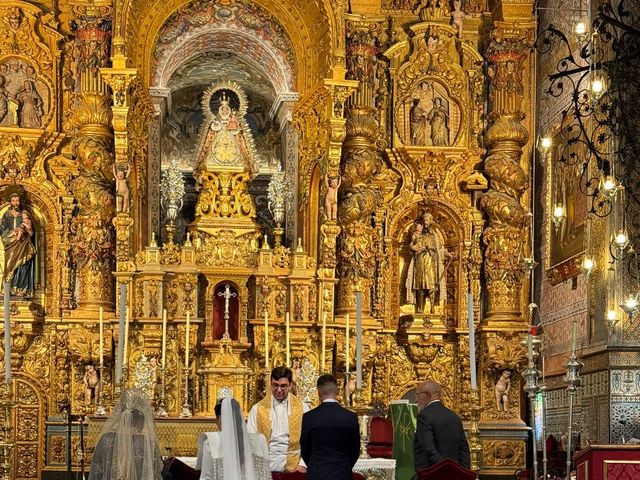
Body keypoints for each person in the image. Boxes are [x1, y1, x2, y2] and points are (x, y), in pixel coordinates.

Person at [88, 388, 163, 480]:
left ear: (120, 417)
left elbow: (96, 472)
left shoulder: (105, 439)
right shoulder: (149, 443)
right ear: (141, 422)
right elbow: (156, 474)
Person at [247, 367, 309, 473]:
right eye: (275, 385)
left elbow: (309, 439)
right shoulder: (257, 409)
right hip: (265, 465)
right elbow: (250, 439)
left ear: (290, 385)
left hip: (294, 466)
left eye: (283, 386)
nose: (279, 390)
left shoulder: (302, 408)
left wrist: (303, 464)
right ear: (271, 383)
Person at [301, 374, 360, 480]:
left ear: (318, 393)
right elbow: (355, 450)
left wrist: (315, 465)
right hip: (342, 473)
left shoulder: (309, 417)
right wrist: (344, 466)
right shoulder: (350, 417)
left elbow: (305, 449)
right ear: (337, 391)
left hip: (317, 473)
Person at [197, 398, 271, 480]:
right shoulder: (259, 440)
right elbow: (265, 476)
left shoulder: (211, 442)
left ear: (219, 419)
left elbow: (206, 477)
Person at [413, 380, 470, 475]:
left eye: (417, 394)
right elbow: (464, 449)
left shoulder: (424, 416)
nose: (416, 399)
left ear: (427, 394)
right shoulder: (454, 416)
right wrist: (462, 472)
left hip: (432, 474)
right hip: (454, 475)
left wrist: (445, 469)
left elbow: (428, 448)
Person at [405, 214, 446, 314]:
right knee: (420, 286)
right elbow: (411, 246)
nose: (426, 222)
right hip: (420, 263)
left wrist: (447, 253)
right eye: (425, 220)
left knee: (432, 286)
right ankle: (420, 308)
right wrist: (413, 248)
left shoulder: (434, 235)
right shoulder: (417, 234)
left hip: (432, 263)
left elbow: (440, 249)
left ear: (431, 222)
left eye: (428, 220)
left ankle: (432, 307)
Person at [1, 193, 36, 298]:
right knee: (8, 264)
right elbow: (2, 228)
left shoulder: (25, 214)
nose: (16, 203)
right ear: (10, 202)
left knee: (23, 265)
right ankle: (7, 289)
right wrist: (12, 233)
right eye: (13, 201)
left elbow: (32, 232)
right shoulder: (6, 214)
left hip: (23, 243)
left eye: (17, 201)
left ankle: (21, 289)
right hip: (10, 243)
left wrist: (28, 229)